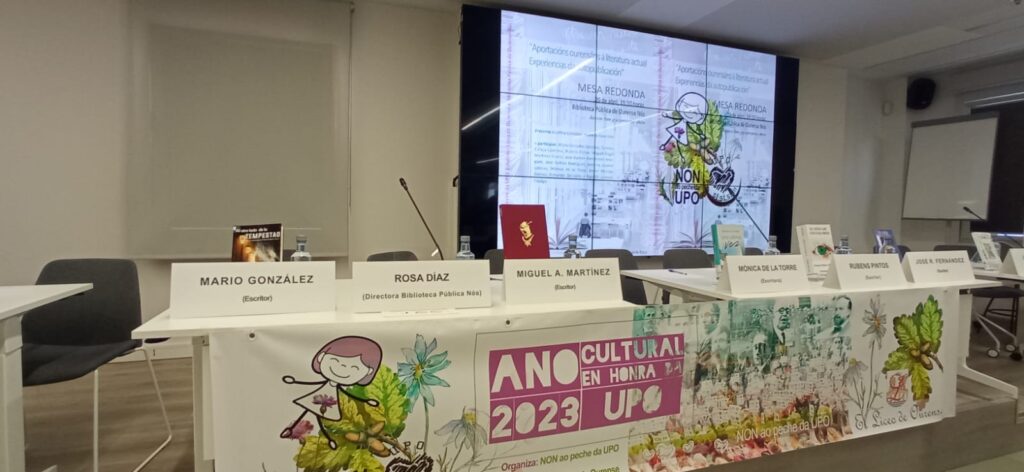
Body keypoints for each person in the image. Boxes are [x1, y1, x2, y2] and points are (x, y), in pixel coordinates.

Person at [280, 336, 383, 449]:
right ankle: (292, 429)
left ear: (368, 372)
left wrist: (366, 401)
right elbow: (310, 383)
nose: (343, 367)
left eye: (354, 368)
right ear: (321, 357)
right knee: (308, 412)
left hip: (330, 401)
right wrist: (294, 381)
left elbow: (350, 395)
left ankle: (329, 439)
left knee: (320, 419)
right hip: (320, 397)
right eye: (335, 361)